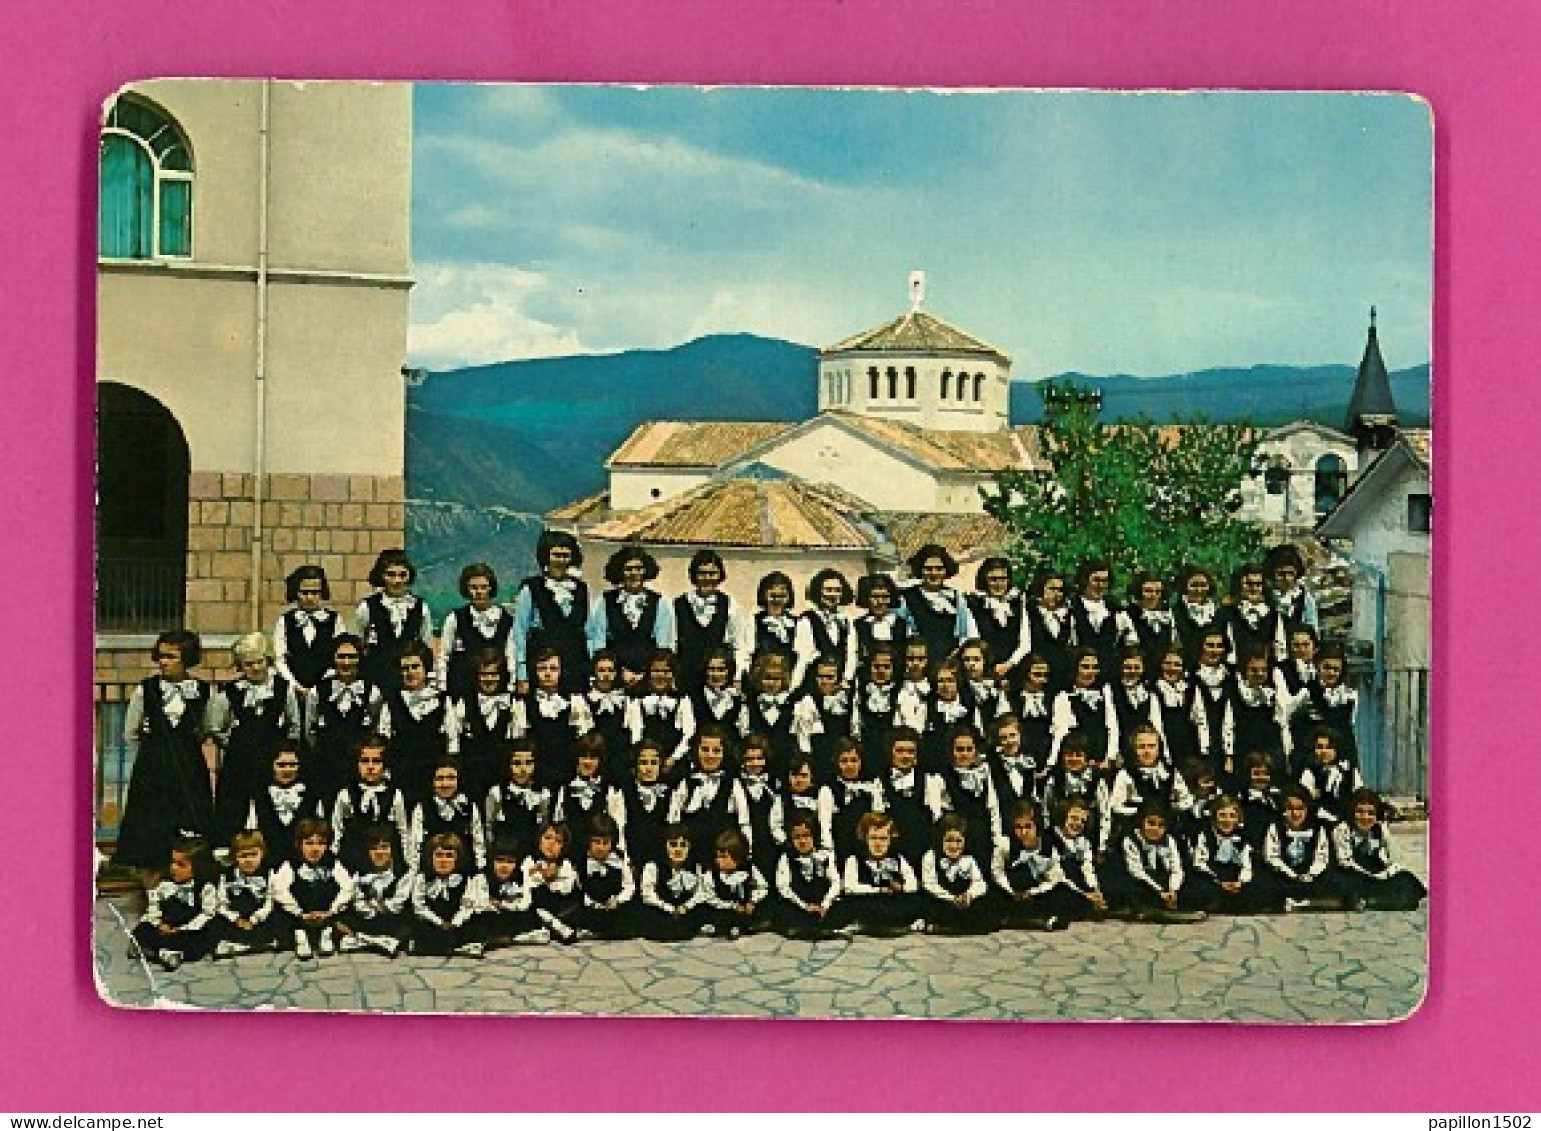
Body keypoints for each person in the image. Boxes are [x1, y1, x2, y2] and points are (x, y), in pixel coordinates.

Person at [114, 630, 217, 874]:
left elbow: (206, 728)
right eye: (161, 656)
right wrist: (152, 754)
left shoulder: (203, 691)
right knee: (150, 825)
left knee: (189, 822)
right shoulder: (146, 690)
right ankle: (152, 886)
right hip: (153, 768)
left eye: (171, 656)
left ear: (187, 658)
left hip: (188, 766)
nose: (164, 662)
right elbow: (131, 731)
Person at [209, 631, 301, 844]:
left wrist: (284, 749)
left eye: (259, 662)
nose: (256, 668)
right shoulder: (229, 692)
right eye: (248, 664)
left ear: (267, 661)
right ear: (241, 666)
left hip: (272, 759)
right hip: (239, 761)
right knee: (234, 809)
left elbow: (293, 723)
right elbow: (216, 727)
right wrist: (234, 745)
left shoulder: (282, 689)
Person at [303, 634, 381, 805]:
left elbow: (375, 727)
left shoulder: (373, 692)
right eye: (342, 656)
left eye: (352, 657)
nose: (346, 662)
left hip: (358, 769)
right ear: (333, 659)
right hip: (326, 765)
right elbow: (309, 729)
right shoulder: (318, 691)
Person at [512, 530, 591, 695]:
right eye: (556, 555)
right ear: (546, 556)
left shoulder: (581, 589)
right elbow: (519, 633)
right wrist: (522, 674)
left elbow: (587, 631)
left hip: (575, 663)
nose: (561, 560)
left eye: (565, 555)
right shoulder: (531, 589)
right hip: (543, 665)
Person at [375, 641, 454, 804]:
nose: (410, 672)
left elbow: (452, 741)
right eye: (405, 668)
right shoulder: (391, 703)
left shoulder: (442, 700)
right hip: (401, 777)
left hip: (435, 780)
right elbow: (383, 742)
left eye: (415, 666)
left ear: (426, 668)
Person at [1105, 802, 1207, 923]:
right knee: (1129, 891)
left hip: (1164, 880)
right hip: (1143, 882)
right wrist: (1160, 892)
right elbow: (1136, 872)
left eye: (1161, 825)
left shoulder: (1169, 840)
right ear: (1142, 823)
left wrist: (1173, 890)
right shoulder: (1130, 839)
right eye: (1151, 823)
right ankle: (1156, 913)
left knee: (1198, 889)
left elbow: (1176, 869)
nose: (1155, 829)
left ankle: (1161, 910)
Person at [128, 836, 219, 970]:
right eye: (172, 862)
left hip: (187, 928)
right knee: (142, 930)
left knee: (203, 939)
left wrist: (182, 929)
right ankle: (160, 952)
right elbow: (153, 908)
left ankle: (160, 952)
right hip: (166, 925)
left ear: (198, 867)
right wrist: (159, 923)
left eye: (181, 865)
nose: (173, 868)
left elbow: (207, 914)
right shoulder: (164, 885)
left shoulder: (205, 887)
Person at [588, 546, 673, 687]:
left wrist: (645, 675)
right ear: (620, 571)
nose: (634, 573)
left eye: (639, 568)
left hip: (648, 679)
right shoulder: (604, 601)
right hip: (613, 678)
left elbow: (663, 647)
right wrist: (620, 672)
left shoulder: (660, 602)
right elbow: (599, 644)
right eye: (628, 569)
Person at [668, 725, 751, 868]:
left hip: (722, 862)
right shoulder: (685, 783)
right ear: (696, 751)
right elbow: (673, 823)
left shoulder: (733, 784)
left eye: (716, 750)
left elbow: (744, 822)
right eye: (705, 750)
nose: (710, 755)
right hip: (692, 862)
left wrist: (745, 854)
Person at [1330, 789, 1427, 910]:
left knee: (1406, 878)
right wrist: (1373, 876)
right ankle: (1373, 901)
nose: (1365, 817)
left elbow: (1394, 859)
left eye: (1371, 813)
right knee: (1344, 884)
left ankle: (1372, 902)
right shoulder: (1342, 830)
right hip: (1353, 874)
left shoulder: (1378, 830)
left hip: (1376, 876)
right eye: (1359, 812)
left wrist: (1386, 833)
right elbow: (1345, 862)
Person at [272, 818, 354, 960]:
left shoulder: (332, 863)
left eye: (321, 844)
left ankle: (327, 932)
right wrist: (299, 913)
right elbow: (279, 890)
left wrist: (331, 911)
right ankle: (300, 935)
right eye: (309, 843)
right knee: (279, 915)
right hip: (301, 913)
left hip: (326, 912)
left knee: (346, 908)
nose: (315, 849)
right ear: (299, 845)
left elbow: (348, 887)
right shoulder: (291, 864)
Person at [673, 549, 752, 694]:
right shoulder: (677, 605)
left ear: (720, 575)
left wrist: (738, 676)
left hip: (719, 679)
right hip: (686, 677)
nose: (707, 578)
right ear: (694, 576)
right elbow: (672, 644)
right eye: (702, 573)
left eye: (712, 573)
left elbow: (739, 645)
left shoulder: (731, 605)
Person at [354, 548, 433, 694]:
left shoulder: (420, 608)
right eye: (390, 575)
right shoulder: (367, 607)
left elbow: (426, 646)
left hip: (409, 682)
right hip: (375, 680)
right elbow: (360, 645)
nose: (397, 581)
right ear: (381, 575)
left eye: (402, 575)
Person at [991, 802, 1080, 930]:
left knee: (1063, 891)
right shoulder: (1005, 845)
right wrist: (1011, 891)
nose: (1023, 832)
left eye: (1028, 827)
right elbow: (997, 872)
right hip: (1012, 892)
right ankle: (1010, 917)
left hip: (1035, 893)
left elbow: (1055, 878)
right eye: (1018, 827)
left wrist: (1034, 892)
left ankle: (1045, 917)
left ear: (1036, 826)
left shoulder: (1047, 847)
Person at [331, 733, 411, 874]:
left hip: (385, 866)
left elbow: (403, 832)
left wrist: (405, 863)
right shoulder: (345, 795)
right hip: (352, 863)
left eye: (376, 761)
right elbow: (337, 831)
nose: (370, 767)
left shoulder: (395, 795)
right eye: (365, 761)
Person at [1259, 787, 1348, 912]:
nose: (1295, 814)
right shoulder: (1275, 827)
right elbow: (1272, 857)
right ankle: (1301, 901)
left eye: (1300, 808)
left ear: (1307, 809)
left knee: (1337, 882)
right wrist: (1293, 875)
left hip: (1310, 877)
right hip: (1286, 876)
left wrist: (1310, 874)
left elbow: (1321, 857)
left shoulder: (1317, 828)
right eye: (1290, 808)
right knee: (1266, 882)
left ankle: (1304, 902)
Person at [519, 648, 595, 791]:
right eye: (542, 669)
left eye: (553, 668)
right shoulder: (524, 704)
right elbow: (521, 745)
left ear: (561, 671)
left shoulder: (575, 702)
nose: (548, 673)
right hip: (536, 777)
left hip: (568, 775)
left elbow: (584, 743)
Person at [925, 725, 1002, 865]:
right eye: (959, 749)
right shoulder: (940, 778)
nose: (964, 754)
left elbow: (993, 807)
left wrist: (997, 841)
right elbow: (937, 816)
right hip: (957, 844)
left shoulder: (984, 773)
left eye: (969, 749)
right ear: (951, 751)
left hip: (983, 839)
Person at [437, 562, 515, 701]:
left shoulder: (507, 620)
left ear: (491, 588)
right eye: (473, 587)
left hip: (498, 691)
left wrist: (512, 686)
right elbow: (444, 656)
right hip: (462, 690)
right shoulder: (455, 619)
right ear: (466, 589)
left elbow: (511, 656)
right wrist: (442, 688)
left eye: (483, 587)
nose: (478, 592)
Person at [1106, 724, 1194, 844]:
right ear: (1134, 749)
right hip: (1135, 832)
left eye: (1151, 746)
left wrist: (1170, 809)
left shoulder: (1169, 772)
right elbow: (1116, 806)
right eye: (1142, 747)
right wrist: (1140, 811)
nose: (1147, 751)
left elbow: (1187, 799)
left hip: (1166, 830)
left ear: (1158, 749)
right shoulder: (1125, 774)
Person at [449, 650, 518, 802]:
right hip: (472, 778)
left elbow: (516, 743)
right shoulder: (464, 704)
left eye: (494, 674)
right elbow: (455, 743)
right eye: (483, 674)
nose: (489, 679)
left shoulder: (512, 704)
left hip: (503, 778)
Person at [840, 812, 923, 937]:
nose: (878, 843)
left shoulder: (898, 858)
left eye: (883, 839)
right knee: (851, 903)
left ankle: (899, 923)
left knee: (914, 900)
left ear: (890, 839)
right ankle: (864, 924)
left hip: (891, 902)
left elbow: (913, 883)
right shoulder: (855, 859)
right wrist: (877, 890)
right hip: (868, 901)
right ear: (865, 838)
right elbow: (849, 887)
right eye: (873, 838)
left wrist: (901, 887)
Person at [336, 824, 412, 957]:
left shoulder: (403, 872)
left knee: (408, 924)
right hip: (368, 917)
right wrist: (369, 910)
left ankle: (364, 940)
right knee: (341, 921)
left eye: (384, 847)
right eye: (374, 848)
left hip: (391, 917)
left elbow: (397, 903)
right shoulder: (361, 873)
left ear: (392, 850)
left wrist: (377, 906)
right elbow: (358, 900)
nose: (379, 853)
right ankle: (376, 942)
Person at [408, 832, 488, 958]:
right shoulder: (423, 879)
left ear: (457, 859)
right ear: (431, 857)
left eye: (449, 856)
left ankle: (451, 945)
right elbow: (419, 906)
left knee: (475, 927)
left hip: (455, 922)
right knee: (418, 928)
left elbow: (467, 906)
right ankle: (444, 946)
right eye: (439, 856)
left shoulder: (464, 880)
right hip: (434, 922)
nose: (443, 861)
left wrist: (455, 922)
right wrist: (439, 922)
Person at [1186, 795, 1270, 914]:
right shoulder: (1206, 835)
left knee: (1260, 887)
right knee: (1198, 889)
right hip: (1213, 878)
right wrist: (1220, 882)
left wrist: (1240, 881)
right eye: (1222, 815)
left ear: (1238, 819)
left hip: (1236, 877)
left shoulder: (1243, 837)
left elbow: (1247, 865)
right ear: (1214, 817)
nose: (1227, 820)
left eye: (1232, 816)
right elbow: (1200, 863)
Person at [245, 743, 324, 869]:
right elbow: (252, 835)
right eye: (281, 765)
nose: (287, 770)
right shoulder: (259, 796)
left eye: (292, 765)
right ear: (272, 766)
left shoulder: (312, 796)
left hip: (303, 868)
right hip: (267, 867)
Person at [273, 565, 340, 707]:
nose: (310, 597)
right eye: (304, 592)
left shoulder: (335, 620)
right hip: (292, 691)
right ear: (296, 592)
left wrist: (320, 687)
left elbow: (338, 657)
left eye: (315, 592)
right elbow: (279, 658)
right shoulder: (285, 621)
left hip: (325, 691)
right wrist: (294, 685)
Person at [773, 813, 846, 940]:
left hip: (821, 903)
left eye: (806, 836)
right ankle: (805, 928)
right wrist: (804, 906)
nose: (802, 841)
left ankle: (823, 926)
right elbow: (783, 887)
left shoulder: (824, 856)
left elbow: (835, 882)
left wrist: (825, 904)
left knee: (842, 906)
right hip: (800, 904)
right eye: (797, 837)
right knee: (782, 908)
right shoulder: (786, 858)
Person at [408, 758, 485, 875]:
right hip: (430, 876)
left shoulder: (469, 807)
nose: (445, 784)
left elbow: (478, 843)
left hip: (464, 874)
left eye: (451, 778)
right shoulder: (422, 808)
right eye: (440, 779)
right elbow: (415, 846)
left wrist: (479, 872)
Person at [551, 732, 620, 862]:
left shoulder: (609, 790)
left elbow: (617, 829)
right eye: (583, 756)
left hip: (599, 858)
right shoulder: (564, 788)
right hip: (569, 857)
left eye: (593, 758)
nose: (587, 762)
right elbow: (557, 825)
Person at [634, 824, 710, 941]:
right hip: (661, 909)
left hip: (684, 910)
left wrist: (686, 906)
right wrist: (668, 908)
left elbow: (701, 892)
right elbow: (647, 895)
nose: (678, 850)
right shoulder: (653, 866)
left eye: (683, 845)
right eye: (673, 845)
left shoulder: (696, 867)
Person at [963, 557, 1031, 686]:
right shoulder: (973, 603)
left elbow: (1025, 640)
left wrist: (1009, 664)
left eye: (1002, 579)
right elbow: (974, 639)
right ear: (985, 580)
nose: (998, 583)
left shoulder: (1018, 602)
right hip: (985, 672)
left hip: (1015, 669)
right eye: (993, 579)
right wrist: (990, 668)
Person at [624, 651, 694, 778]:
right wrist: (648, 762)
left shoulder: (683, 699)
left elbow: (688, 734)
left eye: (666, 671)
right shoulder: (636, 699)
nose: (661, 676)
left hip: (674, 763)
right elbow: (635, 734)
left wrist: (672, 759)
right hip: (645, 763)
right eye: (656, 671)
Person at [919, 813, 990, 935]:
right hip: (943, 899)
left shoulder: (968, 859)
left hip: (962, 901)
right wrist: (951, 899)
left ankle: (955, 927)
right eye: (949, 840)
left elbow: (979, 882)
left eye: (958, 841)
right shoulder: (930, 856)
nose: (954, 846)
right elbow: (930, 884)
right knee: (928, 904)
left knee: (983, 906)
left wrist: (969, 895)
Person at [212, 829, 279, 958]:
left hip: (258, 917)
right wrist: (236, 919)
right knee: (215, 922)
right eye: (243, 856)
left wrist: (255, 919)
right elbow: (221, 904)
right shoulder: (226, 876)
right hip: (236, 918)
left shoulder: (268, 873)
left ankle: (252, 944)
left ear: (262, 854)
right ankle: (245, 944)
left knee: (277, 918)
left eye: (253, 855)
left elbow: (270, 902)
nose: (249, 860)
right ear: (234, 857)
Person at [568, 813, 636, 940]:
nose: (601, 847)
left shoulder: (619, 860)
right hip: (591, 906)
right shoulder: (581, 862)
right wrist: (593, 904)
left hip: (613, 905)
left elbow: (629, 886)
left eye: (605, 843)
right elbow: (578, 888)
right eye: (596, 842)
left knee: (627, 915)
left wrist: (618, 900)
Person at [898, 544, 966, 666]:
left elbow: (964, 633)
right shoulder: (906, 597)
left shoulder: (956, 598)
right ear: (920, 570)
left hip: (949, 665)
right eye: (928, 569)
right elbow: (902, 633)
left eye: (939, 568)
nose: (933, 573)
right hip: (917, 665)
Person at [483, 738, 550, 861]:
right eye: (517, 763)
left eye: (528, 763)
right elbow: (489, 828)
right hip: (506, 857)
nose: (523, 769)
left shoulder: (542, 794)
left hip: (533, 858)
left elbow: (544, 828)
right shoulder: (497, 793)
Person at [480, 835, 551, 950]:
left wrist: (504, 905)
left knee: (530, 916)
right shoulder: (483, 877)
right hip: (492, 915)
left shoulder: (521, 877)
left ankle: (510, 937)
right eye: (499, 860)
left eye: (510, 862)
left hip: (512, 912)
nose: (504, 866)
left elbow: (525, 903)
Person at [1049, 647, 1116, 769]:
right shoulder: (1064, 697)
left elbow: (1112, 726)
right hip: (1077, 763)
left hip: (1102, 763)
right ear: (1075, 669)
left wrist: (1109, 758)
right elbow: (1060, 733)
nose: (1091, 672)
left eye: (1094, 667)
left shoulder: (1105, 692)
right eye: (1085, 667)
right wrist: (1051, 764)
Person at [612, 738, 672, 870]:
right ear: (635, 766)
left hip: (661, 865)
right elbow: (620, 832)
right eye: (643, 763)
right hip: (632, 863)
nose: (648, 768)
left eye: (654, 763)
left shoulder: (670, 794)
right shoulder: (623, 793)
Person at [793, 568, 857, 689]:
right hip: (814, 684)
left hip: (840, 685)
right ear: (818, 592)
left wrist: (846, 679)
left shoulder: (846, 621)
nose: (832, 595)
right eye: (828, 590)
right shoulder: (807, 620)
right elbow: (803, 658)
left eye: (837, 590)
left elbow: (851, 655)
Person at [1045, 797, 1108, 920]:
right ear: (1063, 816)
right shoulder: (1049, 838)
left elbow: (1087, 868)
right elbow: (1057, 876)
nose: (1078, 823)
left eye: (1082, 821)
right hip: (1057, 884)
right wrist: (1084, 895)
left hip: (1078, 886)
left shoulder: (1083, 842)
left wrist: (1096, 890)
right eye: (1074, 818)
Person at [794, 655, 854, 782]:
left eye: (829, 677)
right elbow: (805, 739)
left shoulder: (850, 699)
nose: (824, 681)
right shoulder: (808, 702)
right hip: (820, 759)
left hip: (846, 760)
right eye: (820, 677)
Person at [700, 828, 769, 938]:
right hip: (723, 908)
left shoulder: (749, 870)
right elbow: (709, 897)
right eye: (717, 856)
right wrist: (731, 906)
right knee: (719, 915)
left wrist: (752, 901)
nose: (718, 860)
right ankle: (721, 927)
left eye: (723, 857)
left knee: (752, 913)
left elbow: (763, 887)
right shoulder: (713, 874)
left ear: (737, 857)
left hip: (744, 908)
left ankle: (742, 926)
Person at [743, 652, 802, 780]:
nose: (771, 683)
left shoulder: (793, 705)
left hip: (785, 767)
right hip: (756, 768)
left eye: (776, 679)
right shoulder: (749, 705)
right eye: (767, 678)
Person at [522, 822, 581, 944]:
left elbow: (566, 890)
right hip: (536, 906)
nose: (551, 844)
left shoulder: (566, 865)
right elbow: (528, 888)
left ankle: (555, 926)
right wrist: (542, 875)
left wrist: (554, 876)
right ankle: (557, 927)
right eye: (547, 838)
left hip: (559, 906)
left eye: (558, 841)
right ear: (539, 840)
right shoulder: (530, 862)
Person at [827, 738, 885, 863]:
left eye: (854, 760)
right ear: (836, 763)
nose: (849, 765)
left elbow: (878, 820)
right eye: (844, 761)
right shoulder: (829, 790)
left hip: (866, 851)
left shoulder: (871, 786)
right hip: (840, 848)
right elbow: (825, 827)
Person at [1297, 725, 1364, 827]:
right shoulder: (1309, 773)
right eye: (1319, 747)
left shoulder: (1349, 771)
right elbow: (1306, 803)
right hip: (1319, 825)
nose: (1324, 752)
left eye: (1329, 747)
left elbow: (1360, 797)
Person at [1068, 559, 1125, 678]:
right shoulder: (1070, 609)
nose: (1100, 585)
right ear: (1084, 580)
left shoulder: (1117, 611)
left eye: (1105, 581)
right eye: (1096, 580)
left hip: (1109, 675)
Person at [583, 651, 633, 781]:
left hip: (619, 760)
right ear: (594, 672)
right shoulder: (585, 700)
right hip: (594, 760)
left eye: (610, 670)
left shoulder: (624, 700)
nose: (606, 675)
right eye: (601, 670)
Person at [852, 643, 903, 770]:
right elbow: (855, 723)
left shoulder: (900, 692)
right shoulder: (862, 691)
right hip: (867, 751)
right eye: (876, 667)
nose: (881, 671)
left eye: (886, 667)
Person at [1025, 568, 1076, 693]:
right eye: (1052, 589)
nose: (1057, 594)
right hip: (1037, 678)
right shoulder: (1029, 613)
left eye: (1060, 590)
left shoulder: (1067, 615)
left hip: (1062, 677)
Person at [1264, 543, 1320, 652]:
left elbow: (1313, 631)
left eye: (1290, 573)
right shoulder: (1265, 596)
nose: (1287, 579)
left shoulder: (1305, 599)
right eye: (1281, 574)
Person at [1223, 564, 1282, 666]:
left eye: (1258, 584)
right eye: (1249, 584)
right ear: (1239, 585)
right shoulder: (1226, 613)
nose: (1254, 588)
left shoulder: (1273, 615)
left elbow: (1280, 651)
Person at [1122, 571, 1176, 674]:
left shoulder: (1167, 616)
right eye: (1148, 591)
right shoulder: (1127, 616)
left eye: (1158, 592)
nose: (1153, 595)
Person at [852, 573, 909, 669]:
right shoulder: (859, 625)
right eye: (875, 597)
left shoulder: (902, 624)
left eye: (884, 597)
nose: (880, 602)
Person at [750, 570, 799, 675]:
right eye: (773, 596)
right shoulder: (753, 622)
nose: (777, 600)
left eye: (781, 596)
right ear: (764, 596)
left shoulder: (798, 623)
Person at [1172, 564, 1220, 667]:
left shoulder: (1219, 613)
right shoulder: (1174, 613)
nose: (1199, 590)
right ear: (1185, 586)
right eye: (1194, 585)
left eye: (1203, 585)